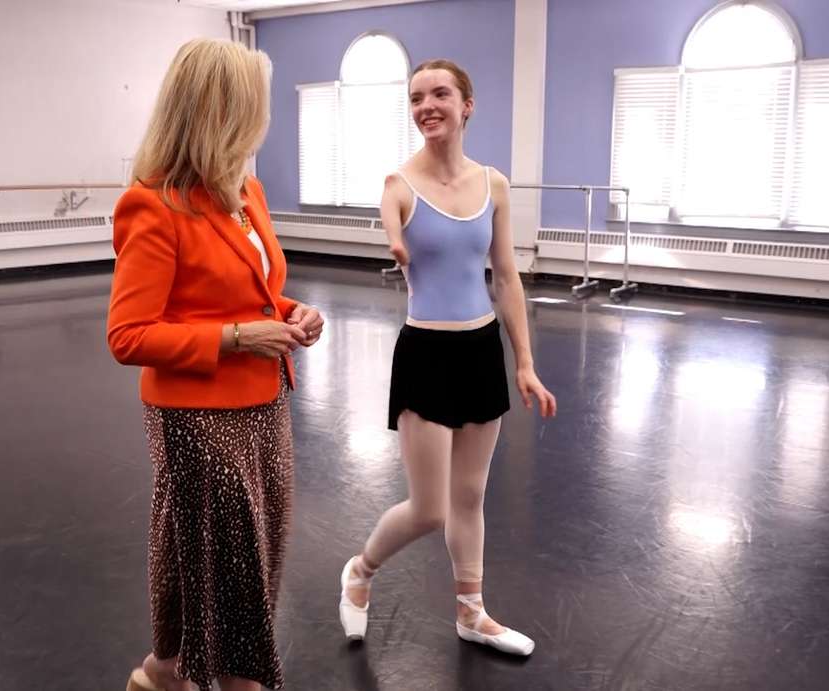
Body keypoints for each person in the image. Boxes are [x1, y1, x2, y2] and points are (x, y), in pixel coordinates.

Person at [108, 38, 323, 691]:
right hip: (199, 415)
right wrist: (233, 338)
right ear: (220, 111)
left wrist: (291, 310)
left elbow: (253, 288)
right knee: (232, 563)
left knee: (238, 549)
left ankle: (163, 670)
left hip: (266, 402)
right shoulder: (154, 203)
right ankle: (237, 681)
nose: (263, 120)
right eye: (253, 105)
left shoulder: (245, 191)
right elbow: (127, 334)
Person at [338, 58, 557, 657]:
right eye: (415, 97)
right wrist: (392, 236)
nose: (426, 105)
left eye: (440, 93)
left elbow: (507, 279)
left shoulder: (495, 185)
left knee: (469, 497)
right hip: (426, 353)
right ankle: (359, 571)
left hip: (480, 348)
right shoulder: (398, 186)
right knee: (430, 508)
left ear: (467, 105)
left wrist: (525, 363)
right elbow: (391, 224)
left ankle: (471, 613)